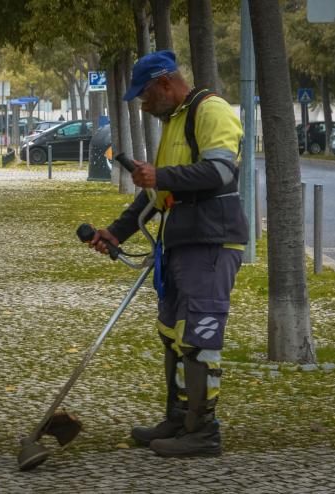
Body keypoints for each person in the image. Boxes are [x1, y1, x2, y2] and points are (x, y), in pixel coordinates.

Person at [88, 50, 248, 457]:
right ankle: (178, 420)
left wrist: (160, 175)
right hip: (181, 241)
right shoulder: (175, 122)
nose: (143, 106)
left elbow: (220, 172)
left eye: (144, 96)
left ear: (164, 84)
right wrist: (117, 233)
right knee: (173, 335)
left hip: (211, 240)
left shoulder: (211, 111)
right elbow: (158, 196)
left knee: (199, 336)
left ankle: (204, 430)